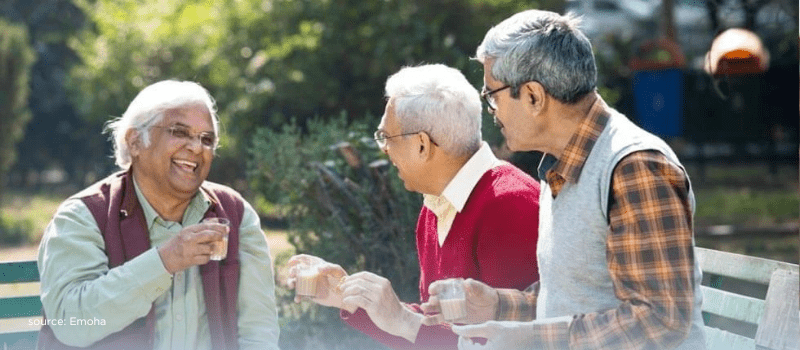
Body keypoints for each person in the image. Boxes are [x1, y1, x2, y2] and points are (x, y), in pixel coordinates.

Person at [422, 9, 707, 350]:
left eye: (491, 96)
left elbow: (661, 319)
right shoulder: (562, 166)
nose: (490, 111)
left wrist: (533, 338)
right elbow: (577, 296)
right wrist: (498, 305)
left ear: (533, 96)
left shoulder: (634, 167)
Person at [285, 64, 540, 350]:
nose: (384, 149)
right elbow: (434, 332)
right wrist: (348, 296)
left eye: (386, 137)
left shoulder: (510, 206)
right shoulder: (437, 202)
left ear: (422, 145)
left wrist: (404, 319)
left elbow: (510, 343)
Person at [36, 80, 280, 350]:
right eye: (180, 132)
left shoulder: (235, 214)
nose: (197, 148)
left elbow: (258, 330)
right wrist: (165, 261)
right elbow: (71, 323)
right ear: (135, 141)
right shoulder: (83, 216)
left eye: (206, 139)